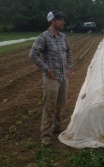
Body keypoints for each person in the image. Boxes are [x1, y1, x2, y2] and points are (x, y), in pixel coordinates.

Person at [29, 10, 73, 146]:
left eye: (62, 19)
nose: (63, 22)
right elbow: (33, 55)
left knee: (60, 105)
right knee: (49, 107)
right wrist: (46, 69)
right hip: (51, 78)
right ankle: (46, 135)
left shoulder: (63, 37)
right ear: (52, 21)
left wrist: (70, 66)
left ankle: (57, 127)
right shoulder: (43, 37)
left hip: (63, 77)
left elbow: (69, 53)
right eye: (60, 20)